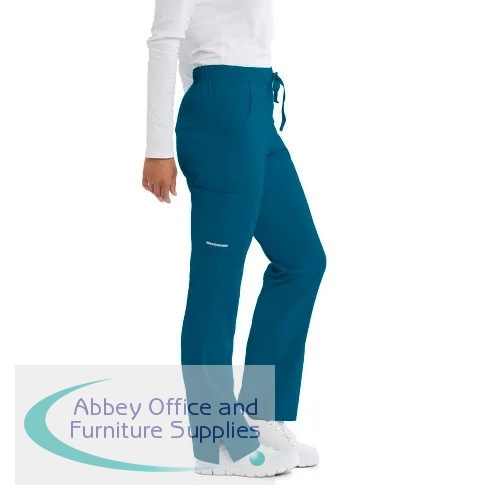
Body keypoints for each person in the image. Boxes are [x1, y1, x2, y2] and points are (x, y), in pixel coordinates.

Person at [142, 0, 326, 477]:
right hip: (221, 111)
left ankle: (260, 415)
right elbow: (165, 41)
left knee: (302, 260)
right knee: (217, 281)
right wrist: (158, 148)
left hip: (256, 105)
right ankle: (215, 442)